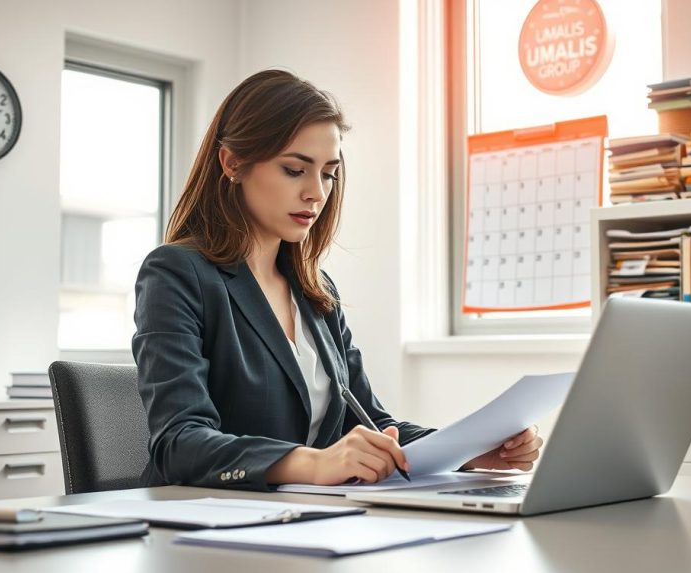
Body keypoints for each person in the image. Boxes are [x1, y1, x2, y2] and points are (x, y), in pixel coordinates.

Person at [133, 69, 543, 491]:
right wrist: (312, 463)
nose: (316, 192)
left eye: (328, 173)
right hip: (203, 523)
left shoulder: (315, 291)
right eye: (295, 170)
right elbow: (178, 444)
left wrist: (469, 452)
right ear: (233, 163)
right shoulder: (177, 273)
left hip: (308, 519)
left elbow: (373, 424)